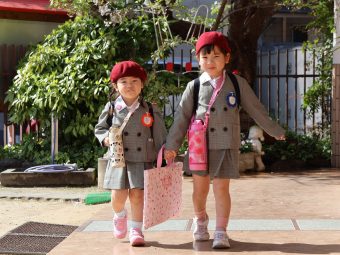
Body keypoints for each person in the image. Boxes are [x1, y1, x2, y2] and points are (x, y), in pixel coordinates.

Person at [164, 31, 285, 249]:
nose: (210, 62)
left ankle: (221, 231)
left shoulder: (237, 83)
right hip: (200, 146)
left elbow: (256, 109)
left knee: (222, 189)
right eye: (205, 57)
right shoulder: (195, 86)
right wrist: (172, 146)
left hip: (227, 143)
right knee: (200, 190)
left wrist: (273, 130)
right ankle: (200, 220)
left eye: (216, 57)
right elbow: (181, 117)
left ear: (227, 58)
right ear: (197, 58)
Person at [95, 60, 167, 246]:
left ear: (142, 84)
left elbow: (160, 133)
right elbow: (100, 128)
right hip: (119, 159)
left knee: (137, 195)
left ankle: (136, 229)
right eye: (124, 81)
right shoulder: (111, 108)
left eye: (135, 81)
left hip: (142, 158)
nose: (129, 86)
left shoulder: (149, 108)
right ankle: (120, 215)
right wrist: (105, 139)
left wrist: (165, 153)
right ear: (115, 85)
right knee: (118, 197)